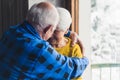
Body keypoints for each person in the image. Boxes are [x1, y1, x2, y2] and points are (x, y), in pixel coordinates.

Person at [0, 2, 88, 80]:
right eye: (53, 30)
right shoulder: (40, 50)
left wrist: (67, 32)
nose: (52, 35)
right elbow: (71, 69)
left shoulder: (11, 32)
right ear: (48, 29)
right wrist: (85, 59)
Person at [48, 7, 83, 80]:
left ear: (66, 30)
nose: (50, 34)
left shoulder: (73, 49)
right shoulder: (41, 44)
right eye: (49, 29)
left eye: (55, 31)